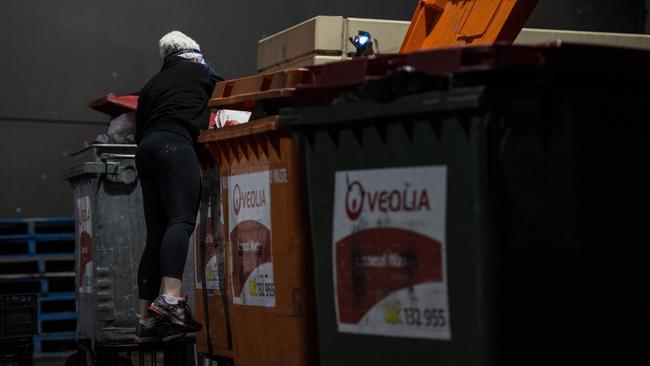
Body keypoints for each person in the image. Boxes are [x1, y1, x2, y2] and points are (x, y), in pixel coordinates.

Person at [133, 30, 223, 342]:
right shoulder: (200, 69)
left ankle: (144, 321)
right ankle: (171, 300)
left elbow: (139, 129)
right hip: (176, 145)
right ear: (192, 52)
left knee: (155, 235)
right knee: (181, 220)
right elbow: (232, 94)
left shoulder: (152, 84)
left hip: (146, 149)